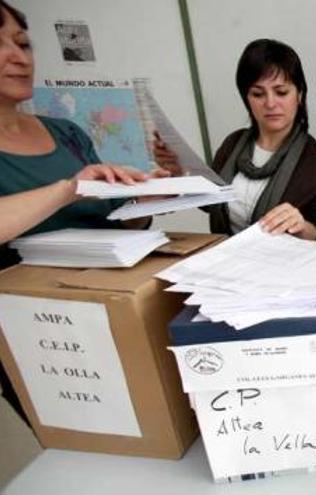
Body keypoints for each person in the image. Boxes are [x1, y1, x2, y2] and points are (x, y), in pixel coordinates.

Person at [0, 0, 158, 424]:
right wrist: (67, 189)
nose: (18, 58)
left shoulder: (66, 133)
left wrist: (142, 204)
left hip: (112, 313)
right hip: (34, 331)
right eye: (0, 46)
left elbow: (111, 219)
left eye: (23, 43)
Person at [193, 39, 316, 241]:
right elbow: (211, 203)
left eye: (281, 92)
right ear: (247, 98)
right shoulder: (233, 144)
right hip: (226, 258)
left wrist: (302, 227)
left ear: (299, 95)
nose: (270, 103)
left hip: (285, 266)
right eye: (258, 94)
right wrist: (180, 171)